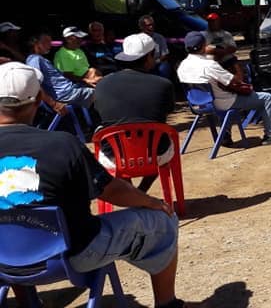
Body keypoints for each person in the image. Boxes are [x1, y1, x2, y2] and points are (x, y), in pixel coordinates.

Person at [0, 61, 198, 308]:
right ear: (39, 98)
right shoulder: (62, 144)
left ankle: (28, 301)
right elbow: (110, 190)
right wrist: (151, 202)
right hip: (70, 257)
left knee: (9, 217)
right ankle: (168, 305)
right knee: (163, 220)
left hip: (4, 261)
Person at [177, 31, 271, 146]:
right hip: (221, 103)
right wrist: (235, 65)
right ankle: (270, 136)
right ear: (203, 46)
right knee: (267, 98)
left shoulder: (182, 66)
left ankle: (225, 135)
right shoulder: (208, 65)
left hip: (198, 105)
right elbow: (235, 81)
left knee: (222, 95)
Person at [95, 33, 176, 192]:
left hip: (114, 155)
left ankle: (133, 194)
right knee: (160, 138)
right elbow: (166, 112)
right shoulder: (163, 84)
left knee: (112, 135)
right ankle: (141, 191)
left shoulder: (102, 84)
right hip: (155, 153)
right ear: (149, 57)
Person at [25, 32, 96, 108]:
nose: (50, 44)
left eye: (50, 41)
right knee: (103, 93)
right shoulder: (34, 59)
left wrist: (85, 81)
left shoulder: (41, 59)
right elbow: (35, 84)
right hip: (65, 94)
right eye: (46, 41)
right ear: (36, 43)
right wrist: (53, 104)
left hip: (71, 89)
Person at [203, 12, 241, 77]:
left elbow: (233, 48)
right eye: (210, 21)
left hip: (227, 58)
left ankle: (240, 83)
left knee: (235, 64)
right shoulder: (204, 35)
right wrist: (216, 52)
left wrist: (222, 52)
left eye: (214, 21)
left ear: (218, 22)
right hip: (212, 61)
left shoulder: (226, 34)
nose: (212, 23)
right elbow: (202, 49)